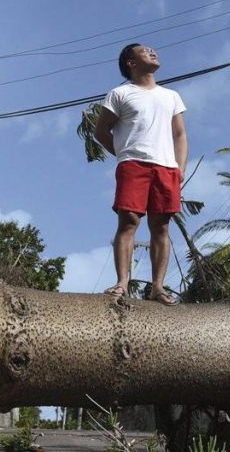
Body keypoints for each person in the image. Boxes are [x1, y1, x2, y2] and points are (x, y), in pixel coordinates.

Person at [94, 43, 188, 305]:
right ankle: (122, 283)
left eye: (152, 49)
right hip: (133, 165)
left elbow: (179, 134)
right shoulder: (120, 94)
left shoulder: (171, 96)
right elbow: (101, 132)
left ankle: (157, 287)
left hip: (166, 167)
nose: (152, 52)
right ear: (130, 63)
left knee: (161, 226)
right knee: (129, 222)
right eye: (144, 51)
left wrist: (180, 167)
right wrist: (124, 154)